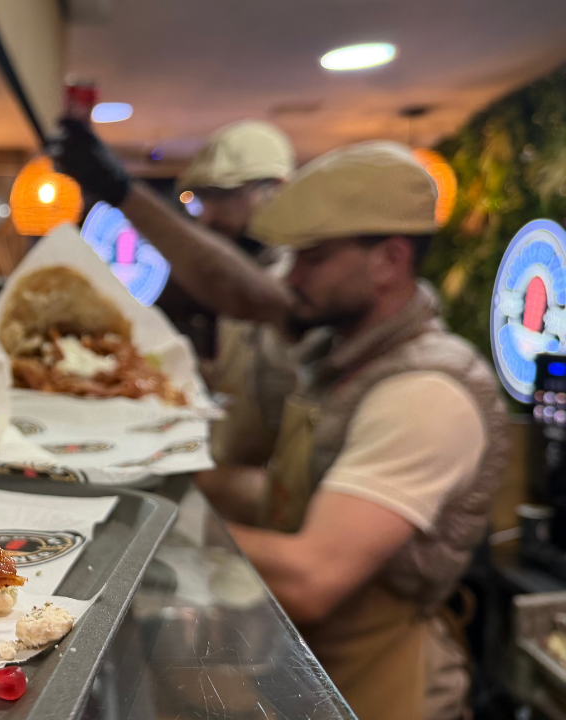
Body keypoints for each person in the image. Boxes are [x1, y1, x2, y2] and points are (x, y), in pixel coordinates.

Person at [55, 127, 509, 720]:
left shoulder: (425, 392)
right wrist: (159, 479)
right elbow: (287, 493)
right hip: (312, 673)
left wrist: (138, 518)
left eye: (314, 259)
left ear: (389, 260)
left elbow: (312, 578)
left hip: (381, 688)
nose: (291, 276)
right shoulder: (341, 356)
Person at [174, 121, 299, 496]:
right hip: (228, 486)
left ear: (274, 191)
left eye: (223, 196)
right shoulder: (240, 285)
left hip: (278, 508)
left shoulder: (304, 290)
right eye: (203, 199)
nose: (208, 216)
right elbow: (245, 385)